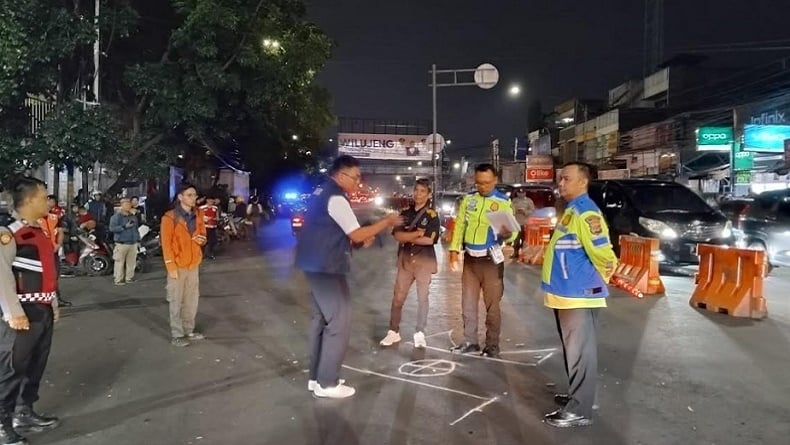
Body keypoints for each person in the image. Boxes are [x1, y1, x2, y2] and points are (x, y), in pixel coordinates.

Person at [294, 155, 401, 399]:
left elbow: (335, 233)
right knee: (339, 321)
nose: (357, 181)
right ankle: (328, 383)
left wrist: (361, 239)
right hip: (326, 267)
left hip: (315, 262)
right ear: (341, 175)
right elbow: (356, 234)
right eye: (355, 177)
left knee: (321, 320)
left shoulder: (321, 191)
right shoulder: (336, 197)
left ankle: (317, 378)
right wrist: (386, 222)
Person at [541, 162, 618, 428]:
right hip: (566, 292)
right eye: (560, 179)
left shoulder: (586, 214)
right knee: (572, 351)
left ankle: (580, 409)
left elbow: (605, 255)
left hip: (578, 294)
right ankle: (578, 396)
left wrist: (595, 282)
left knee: (580, 353)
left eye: (566, 179)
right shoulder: (571, 211)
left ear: (583, 182)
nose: (560, 184)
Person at [0, 177, 61, 444]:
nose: (48, 201)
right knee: (12, 369)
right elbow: (1, 275)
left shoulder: (38, 231)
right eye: (44, 196)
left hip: (42, 309)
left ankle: (24, 411)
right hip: (22, 312)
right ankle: (2, 425)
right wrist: (13, 312)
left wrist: (53, 303)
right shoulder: (10, 233)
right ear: (29, 200)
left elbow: (48, 273)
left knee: (35, 365)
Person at [448, 163, 518, 358]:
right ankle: (470, 342)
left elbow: (511, 235)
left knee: (492, 306)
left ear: (495, 180)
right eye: (479, 183)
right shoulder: (469, 200)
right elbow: (460, 225)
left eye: (487, 183)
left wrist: (506, 235)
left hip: (491, 262)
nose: (483, 187)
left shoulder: (502, 203)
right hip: (470, 260)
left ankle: (492, 345)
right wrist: (454, 250)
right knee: (468, 304)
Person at [379, 178, 441, 349]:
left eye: (422, 191)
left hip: (424, 262)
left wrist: (410, 235)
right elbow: (398, 236)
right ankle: (393, 332)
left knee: (423, 299)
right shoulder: (405, 213)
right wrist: (416, 235)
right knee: (398, 297)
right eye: (416, 190)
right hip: (405, 261)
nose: (418, 194)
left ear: (429, 194)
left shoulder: (432, 216)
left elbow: (430, 240)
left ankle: (420, 333)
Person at [161, 184, 207, 347]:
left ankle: (189, 330)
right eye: (189, 195)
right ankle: (177, 334)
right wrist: (171, 267)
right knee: (176, 300)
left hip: (193, 264)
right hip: (178, 265)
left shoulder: (198, 214)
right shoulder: (169, 218)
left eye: (194, 195)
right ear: (180, 197)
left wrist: (201, 240)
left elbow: (203, 234)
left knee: (191, 299)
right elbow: (166, 244)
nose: (193, 198)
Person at [43, 197, 72, 307]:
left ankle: (56, 299)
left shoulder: (54, 217)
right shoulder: (35, 218)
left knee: (54, 275)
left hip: (53, 251)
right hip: (40, 253)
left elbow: (60, 232)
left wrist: (58, 245)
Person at [109, 198, 140, 286]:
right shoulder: (116, 217)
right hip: (121, 243)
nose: (128, 206)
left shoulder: (133, 216)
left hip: (132, 243)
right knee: (119, 262)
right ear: (121, 206)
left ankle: (129, 278)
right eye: (125, 204)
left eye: (129, 204)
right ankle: (118, 279)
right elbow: (112, 228)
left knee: (132, 262)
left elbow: (135, 229)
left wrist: (138, 240)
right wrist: (124, 226)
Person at [511, 188, 535, 259]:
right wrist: (515, 211)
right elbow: (510, 209)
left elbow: (532, 210)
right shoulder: (514, 201)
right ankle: (515, 253)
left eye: (522, 193)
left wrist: (525, 212)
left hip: (525, 223)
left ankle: (525, 254)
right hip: (516, 222)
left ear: (525, 193)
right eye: (519, 193)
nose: (521, 194)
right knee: (516, 239)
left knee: (525, 239)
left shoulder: (528, 201)